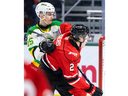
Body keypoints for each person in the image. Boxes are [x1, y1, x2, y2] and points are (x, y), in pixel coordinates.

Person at [39, 23, 103, 96]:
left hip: (61, 72)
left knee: (80, 94)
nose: (87, 40)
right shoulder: (70, 54)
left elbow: (64, 25)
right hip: (46, 73)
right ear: (80, 38)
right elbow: (72, 79)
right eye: (86, 38)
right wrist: (91, 89)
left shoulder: (69, 33)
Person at [27, 2, 63, 69]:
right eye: (49, 14)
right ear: (41, 15)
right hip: (39, 65)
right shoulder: (32, 31)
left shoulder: (57, 25)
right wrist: (43, 48)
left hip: (56, 64)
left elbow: (68, 36)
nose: (52, 17)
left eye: (52, 14)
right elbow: (36, 55)